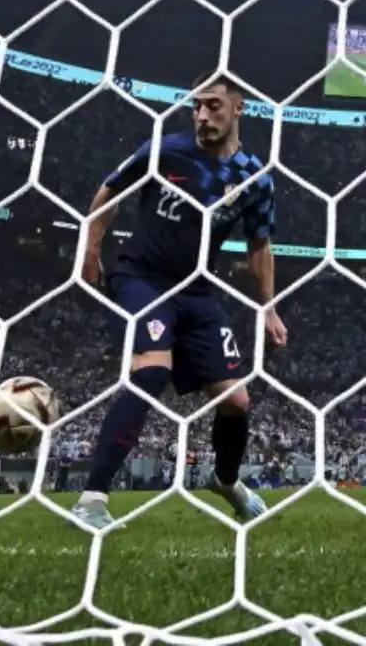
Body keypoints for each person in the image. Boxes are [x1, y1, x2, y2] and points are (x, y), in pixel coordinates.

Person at [73, 73, 286, 530]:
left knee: (237, 401)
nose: (202, 115)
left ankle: (225, 481)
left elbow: (259, 245)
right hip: (141, 278)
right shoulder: (166, 150)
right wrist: (91, 247)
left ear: (239, 108)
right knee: (151, 372)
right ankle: (92, 500)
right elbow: (110, 190)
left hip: (197, 290)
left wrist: (268, 307)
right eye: (196, 106)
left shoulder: (255, 177)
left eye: (213, 105)